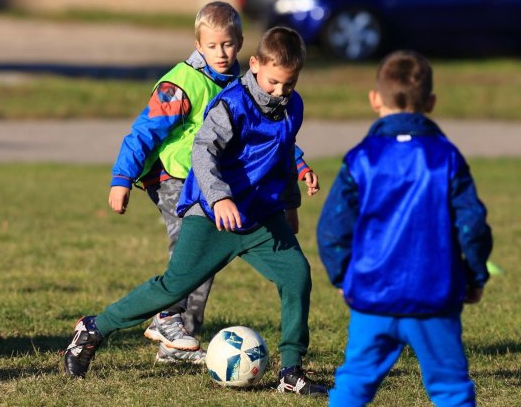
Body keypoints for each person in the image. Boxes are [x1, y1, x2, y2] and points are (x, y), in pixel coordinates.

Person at [64, 26, 328, 396]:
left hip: (260, 216)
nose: (280, 93)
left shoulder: (292, 105)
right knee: (174, 287)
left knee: (297, 274)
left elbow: (282, 154)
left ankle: (290, 370)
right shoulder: (232, 103)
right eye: (272, 83)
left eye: (289, 83)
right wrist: (220, 198)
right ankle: (93, 328)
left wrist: (290, 204)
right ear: (253, 65)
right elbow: (203, 151)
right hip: (213, 214)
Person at [107, 2, 319, 364]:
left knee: (208, 262)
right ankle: (167, 317)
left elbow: (266, 141)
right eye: (212, 46)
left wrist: (297, 169)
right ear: (197, 44)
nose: (221, 53)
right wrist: (122, 177)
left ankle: (176, 340)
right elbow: (144, 131)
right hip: (173, 177)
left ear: (240, 44)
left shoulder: (247, 83)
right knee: (191, 258)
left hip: (216, 183)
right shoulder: (181, 84)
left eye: (228, 44)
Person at [317, 50, 493, 407]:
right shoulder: (447, 158)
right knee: (451, 391)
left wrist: (343, 278)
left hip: (372, 299)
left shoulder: (361, 159)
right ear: (430, 102)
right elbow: (472, 224)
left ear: (374, 100)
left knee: (352, 386)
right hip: (434, 298)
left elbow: (331, 229)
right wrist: (475, 278)